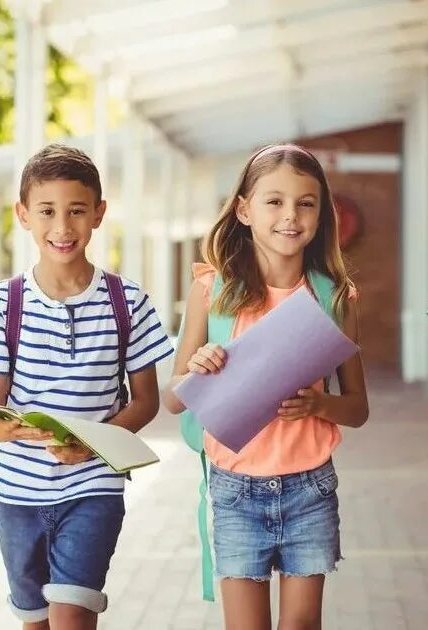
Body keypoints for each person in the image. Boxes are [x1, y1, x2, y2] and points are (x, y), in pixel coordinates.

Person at [0, 143, 174, 630]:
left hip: (93, 487)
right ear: (23, 215)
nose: (62, 227)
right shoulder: (2, 304)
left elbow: (146, 401)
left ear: (99, 214)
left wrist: (91, 443)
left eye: (77, 211)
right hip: (15, 496)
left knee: (73, 618)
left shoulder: (129, 302)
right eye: (47, 211)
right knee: (35, 621)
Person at [163, 144, 369, 630]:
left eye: (306, 203)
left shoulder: (334, 297)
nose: (290, 216)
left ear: (322, 214)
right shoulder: (212, 290)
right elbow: (173, 399)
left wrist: (319, 403)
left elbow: (358, 408)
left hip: (310, 487)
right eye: (273, 202)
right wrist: (198, 367)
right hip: (234, 490)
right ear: (244, 209)